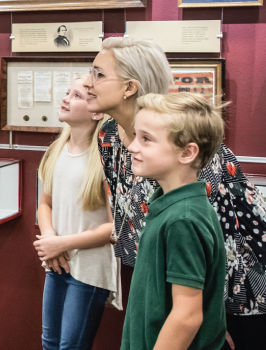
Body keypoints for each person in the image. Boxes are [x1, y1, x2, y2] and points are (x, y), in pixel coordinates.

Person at [86, 37, 266, 350]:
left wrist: (216, 317)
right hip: (172, 281)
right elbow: (127, 214)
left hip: (240, 291)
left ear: (129, 87)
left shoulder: (187, 145)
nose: (89, 83)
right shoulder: (109, 136)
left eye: (99, 74)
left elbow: (225, 238)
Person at [120, 92, 226, 350]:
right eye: (136, 136)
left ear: (187, 152)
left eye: (146, 139)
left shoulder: (183, 219)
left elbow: (187, 316)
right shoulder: (170, 206)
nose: (133, 146)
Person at [34, 77, 120, 350]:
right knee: (49, 343)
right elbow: (45, 204)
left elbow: (114, 227)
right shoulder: (55, 151)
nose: (66, 98)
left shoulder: (105, 158)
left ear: (97, 111)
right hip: (57, 262)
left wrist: (63, 243)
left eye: (77, 95)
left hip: (90, 268)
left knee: (71, 346)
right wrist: (50, 240)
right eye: (67, 92)